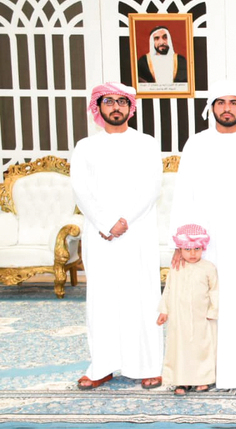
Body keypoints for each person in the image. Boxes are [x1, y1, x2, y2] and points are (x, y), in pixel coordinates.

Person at [169, 80, 236, 390]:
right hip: (204, 240)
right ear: (211, 108)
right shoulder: (197, 143)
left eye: (233, 102)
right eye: (220, 102)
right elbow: (183, 193)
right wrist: (182, 240)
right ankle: (201, 372)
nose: (227, 108)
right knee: (202, 305)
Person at [71, 82, 163, 390]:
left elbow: (152, 187)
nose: (115, 107)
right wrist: (106, 222)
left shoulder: (146, 143)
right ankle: (102, 366)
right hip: (100, 236)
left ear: (130, 108)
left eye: (121, 102)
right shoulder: (85, 146)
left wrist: (125, 221)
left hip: (137, 232)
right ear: (98, 107)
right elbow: (81, 189)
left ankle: (148, 365)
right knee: (103, 300)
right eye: (108, 101)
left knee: (142, 297)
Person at [157, 224, 218, 396]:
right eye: (188, 249)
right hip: (179, 318)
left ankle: (202, 380)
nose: (192, 254)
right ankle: (181, 381)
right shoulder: (176, 268)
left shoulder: (208, 267)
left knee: (202, 349)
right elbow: (168, 290)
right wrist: (164, 311)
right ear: (180, 249)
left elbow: (215, 290)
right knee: (180, 349)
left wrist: (213, 311)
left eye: (197, 249)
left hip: (202, 318)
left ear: (203, 248)